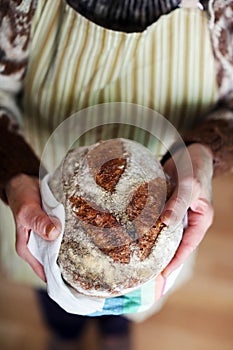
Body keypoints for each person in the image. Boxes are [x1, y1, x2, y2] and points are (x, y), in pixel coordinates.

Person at [0, 0, 232, 349]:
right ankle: (64, 334)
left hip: (177, 189)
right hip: (36, 190)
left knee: (131, 292)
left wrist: (204, 151)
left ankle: (116, 329)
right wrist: (14, 173)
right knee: (54, 285)